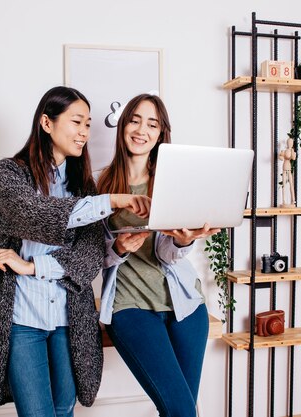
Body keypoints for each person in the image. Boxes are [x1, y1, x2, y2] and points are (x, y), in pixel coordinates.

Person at [0, 86, 151, 417]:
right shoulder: (7, 173)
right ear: (46, 122)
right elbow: (36, 214)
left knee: (64, 408)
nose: (84, 132)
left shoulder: (82, 186)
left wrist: (32, 267)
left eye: (88, 124)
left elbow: (88, 259)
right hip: (22, 317)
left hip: (68, 318)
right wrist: (111, 200)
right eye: (77, 122)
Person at [96, 93, 220, 417]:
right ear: (123, 125)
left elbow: (167, 255)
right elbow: (89, 255)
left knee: (180, 411)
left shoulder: (171, 182)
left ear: (161, 133)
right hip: (131, 307)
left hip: (186, 307)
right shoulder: (100, 184)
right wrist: (119, 248)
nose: (142, 130)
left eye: (152, 124)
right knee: (181, 410)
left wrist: (182, 241)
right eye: (135, 120)